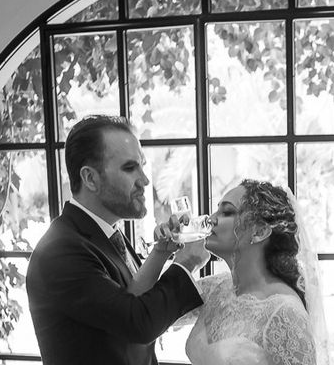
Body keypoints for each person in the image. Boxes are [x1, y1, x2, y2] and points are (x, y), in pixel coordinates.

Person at [26, 115, 208, 365]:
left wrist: (161, 252)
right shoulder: (60, 251)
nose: (145, 180)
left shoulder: (105, 233)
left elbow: (130, 299)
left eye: (142, 166)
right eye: (130, 168)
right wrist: (186, 264)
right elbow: (137, 323)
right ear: (90, 178)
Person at [130, 179, 328, 365]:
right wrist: (160, 252)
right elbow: (137, 313)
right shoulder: (216, 289)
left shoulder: (285, 313)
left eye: (226, 212)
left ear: (259, 231)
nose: (211, 219)